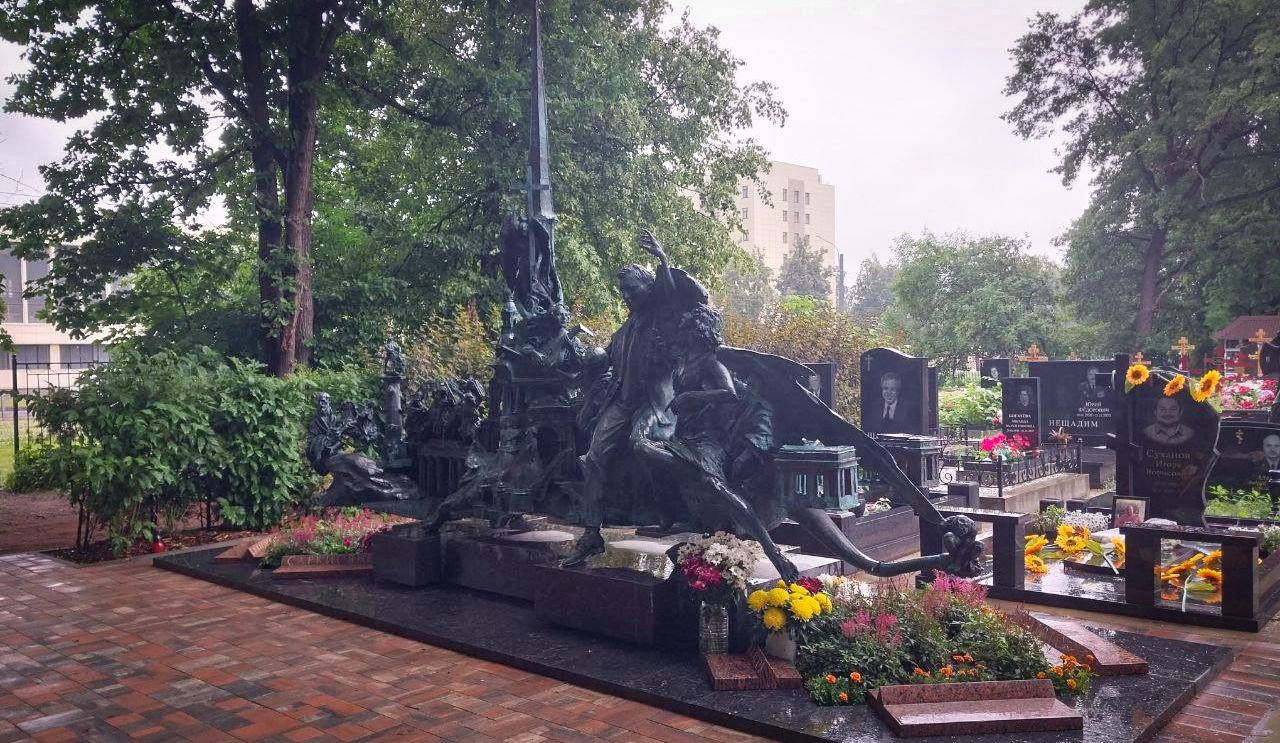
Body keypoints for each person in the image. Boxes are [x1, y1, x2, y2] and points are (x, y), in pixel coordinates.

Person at [562, 230, 709, 566]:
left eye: (633, 289)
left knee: (642, 444)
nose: (627, 296)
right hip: (621, 403)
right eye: (624, 292)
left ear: (649, 288)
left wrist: (662, 259)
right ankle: (590, 535)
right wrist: (585, 377)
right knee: (593, 458)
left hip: (656, 404)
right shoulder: (624, 330)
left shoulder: (663, 321)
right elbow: (605, 365)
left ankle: (680, 506)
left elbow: (671, 297)